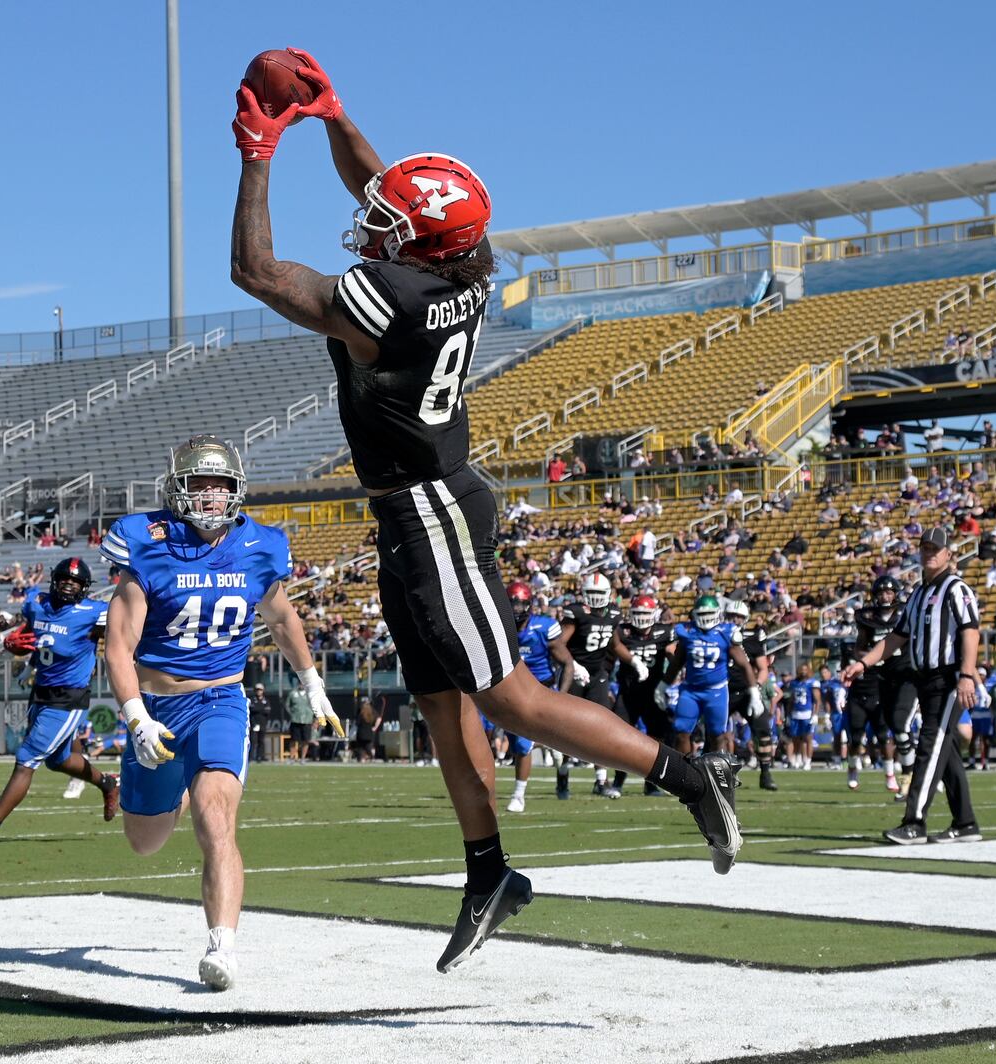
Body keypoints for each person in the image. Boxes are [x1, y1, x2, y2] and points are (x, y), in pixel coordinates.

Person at [228, 47, 741, 972]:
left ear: (419, 245)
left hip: (431, 513)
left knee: (508, 696)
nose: (370, 220)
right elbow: (390, 191)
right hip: (413, 508)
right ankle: (488, 871)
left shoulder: (394, 296)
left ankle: (687, 773)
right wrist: (335, 115)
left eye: (389, 222)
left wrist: (260, 150)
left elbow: (258, 273)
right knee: (437, 702)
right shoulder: (460, 266)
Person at [100, 434, 342, 990]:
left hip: (220, 699)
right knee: (145, 841)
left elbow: (281, 619)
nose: (212, 496)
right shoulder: (148, 542)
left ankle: (223, 946)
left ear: (238, 489)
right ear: (177, 489)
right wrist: (136, 716)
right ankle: (174, 785)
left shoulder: (260, 546)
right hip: (157, 705)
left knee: (216, 815)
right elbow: (117, 645)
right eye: (200, 484)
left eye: (221, 484)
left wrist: (312, 683)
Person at [0, 557, 119, 846]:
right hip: (40, 692)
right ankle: (108, 783)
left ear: (84, 587)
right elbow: (26, 630)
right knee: (58, 760)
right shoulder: (36, 602)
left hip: (68, 698)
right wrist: (11, 641)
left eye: (76, 581)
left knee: (26, 757)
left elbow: (125, 633)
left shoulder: (94, 613)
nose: (69, 584)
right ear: (54, 580)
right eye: (65, 579)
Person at [843, 527, 982, 844]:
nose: (930, 553)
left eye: (936, 548)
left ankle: (914, 822)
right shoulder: (919, 595)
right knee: (945, 754)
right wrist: (862, 663)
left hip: (948, 677)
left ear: (949, 554)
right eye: (925, 548)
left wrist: (966, 674)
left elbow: (971, 631)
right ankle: (965, 822)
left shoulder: (955, 588)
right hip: (925, 679)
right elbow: (895, 638)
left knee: (929, 747)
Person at [556, 572, 646, 798]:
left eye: (599, 593)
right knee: (567, 727)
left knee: (601, 726)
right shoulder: (576, 612)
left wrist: (635, 661)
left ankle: (600, 781)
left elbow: (615, 645)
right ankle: (563, 774)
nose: (595, 597)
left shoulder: (613, 614)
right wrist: (574, 666)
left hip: (598, 674)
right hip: (574, 672)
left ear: (609, 594)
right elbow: (559, 644)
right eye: (592, 593)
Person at [660, 595, 761, 759]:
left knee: (716, 734)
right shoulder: (687, 632)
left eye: (709, 613)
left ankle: (717, 772)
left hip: (716, 691)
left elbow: (744, 665)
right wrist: (663, 685)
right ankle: (684, 776)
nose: (706, 618)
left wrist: (754, 693)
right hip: (690, 691)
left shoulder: (726, 633)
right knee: (681, 732)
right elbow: (677, 662)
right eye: (702, 614)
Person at [503, 582, 572, 811]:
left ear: (530, 605)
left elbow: (567, 663)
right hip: (511, 692)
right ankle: (554, 753)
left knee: (524, 745)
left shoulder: (544, 627)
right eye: (513, 603)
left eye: (521, 603)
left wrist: (560, 696)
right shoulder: (499, 627)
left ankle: (519, 795)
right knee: (517, 745)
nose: (516, 609)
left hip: (541, 690)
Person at [844, 576, 912, 795]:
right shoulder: (867, 618)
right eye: (882, 592)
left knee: (888, 733)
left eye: (890, 592)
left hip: (897, 676)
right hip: (872, 680)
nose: (886, 596)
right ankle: (853, 769)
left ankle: (894, 774)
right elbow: (859, 648)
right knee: (856, 735)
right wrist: (874, 657)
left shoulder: (904, 614)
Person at [617, 595, 675, 796]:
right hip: (628, 693)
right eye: (638, 613)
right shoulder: (622, 631)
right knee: (619, 737)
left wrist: (672, 678)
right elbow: (613, 648)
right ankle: (617, 782)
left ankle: (651, 783)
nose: (641, 618)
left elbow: (674, 652)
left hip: (653, 693)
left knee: (656, 740)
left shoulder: (664, 632)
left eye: (645, 613)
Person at [725, 601, 777, 790]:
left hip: (748, 692)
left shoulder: (753, 638)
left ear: (745, 619)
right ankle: (719, 775)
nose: (735, 620)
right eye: (731, 616)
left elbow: (763, 669)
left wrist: (757, 688)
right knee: (717, 734)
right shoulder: (719, 635)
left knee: (763, 729)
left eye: (738, 617)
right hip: (724, 692)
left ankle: (765, 773)